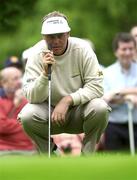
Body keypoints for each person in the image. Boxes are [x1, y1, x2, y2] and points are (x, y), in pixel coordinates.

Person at [18, 11, 110, 155]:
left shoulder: (83, 49)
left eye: (60, 35)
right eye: (50, 37)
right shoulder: (36, 54)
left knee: (100, 107)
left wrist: (67, 100)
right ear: (43, 36)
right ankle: (50, 153)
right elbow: (31, 97)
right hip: (48, 112)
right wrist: (44, 75)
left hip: (78, 111)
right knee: (27, 115)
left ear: (68, 34)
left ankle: (88, 154)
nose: (56, 41)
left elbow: (97, 88)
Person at [103, 32, 137, 151]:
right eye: (124, 49)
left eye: (131, 49)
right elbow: (106, 99)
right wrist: (128, 98)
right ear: (116, 52)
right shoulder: (107, 73)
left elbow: (112, 96)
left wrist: (118, 92)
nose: (127, 52)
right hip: (114, 126)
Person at [0, 67, 35, 155]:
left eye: (20, 78)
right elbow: (2, 126)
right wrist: (16, 105)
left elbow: (35, 123)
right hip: (6, 150)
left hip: (30, 148)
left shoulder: (26, 99)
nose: (20, 81)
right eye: (15, 79)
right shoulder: (1, 100)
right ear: (3, 83)